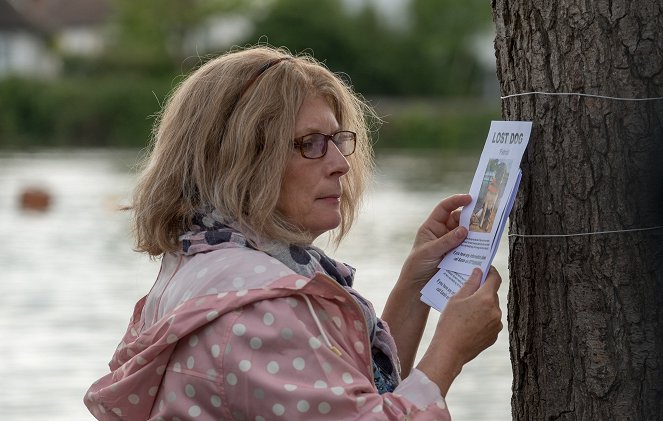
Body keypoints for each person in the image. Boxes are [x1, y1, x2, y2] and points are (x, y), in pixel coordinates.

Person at [84, 46, 503, 420]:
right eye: (311, 144)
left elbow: (354, 394)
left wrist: (413, 290)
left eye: (339, 140)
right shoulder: (260, 313)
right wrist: (449, 351)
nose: (340, 163)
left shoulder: (205, 264)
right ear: (239, 158)